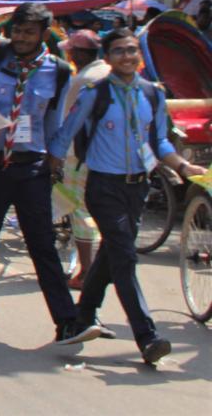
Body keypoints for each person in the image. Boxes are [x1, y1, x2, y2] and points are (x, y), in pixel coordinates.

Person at [48, 28, 206, 364]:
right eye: (119, 51)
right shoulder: (95, 93)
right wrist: (51, 165)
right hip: (103, 187)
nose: (127, 57)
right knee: (125, 257)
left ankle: (83, 315)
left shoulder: (151, 94)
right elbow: (66, 133)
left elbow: (159, 142)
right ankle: (147, 337)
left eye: (132, 50)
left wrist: (182, 166)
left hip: (138, 188)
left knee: (113, 253)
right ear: (107, 58)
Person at [0, 2, 99, 345]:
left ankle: (67, 322)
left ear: (42, 35)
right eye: (18, 31)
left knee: (42, 244)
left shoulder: (59, 71)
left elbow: (53, 119)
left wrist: (56, 158)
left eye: (29, 32)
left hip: (31, 166)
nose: (21, 38)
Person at [57, 29, 110, 290]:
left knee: (79, 209)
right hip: (105, 157)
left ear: (78, 53)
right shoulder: (108, 73)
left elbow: (67, 121)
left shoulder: (83, 79)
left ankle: (87, 270)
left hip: (80, 154)